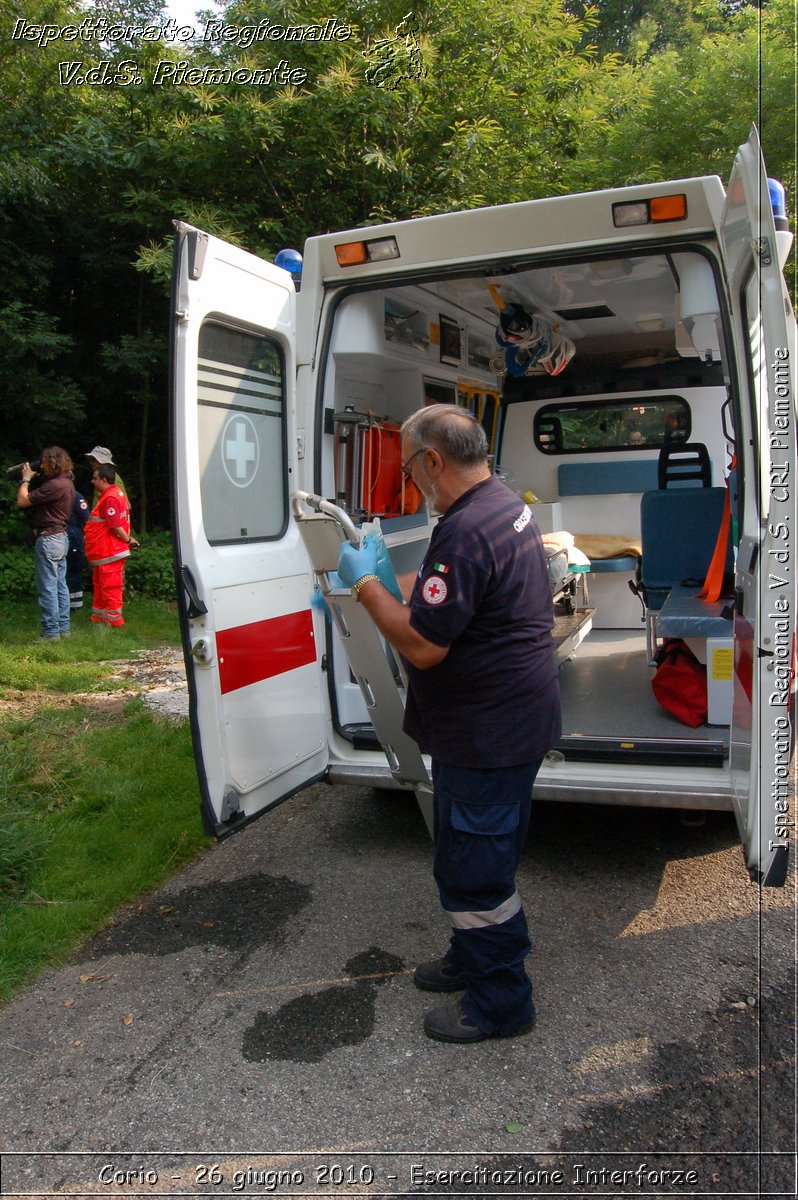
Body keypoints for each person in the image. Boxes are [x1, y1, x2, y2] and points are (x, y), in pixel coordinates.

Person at [336, 404, 561, 1044]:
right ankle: (471, 956)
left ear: (433, 460)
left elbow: (424, 646)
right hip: (510, 722)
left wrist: (365, 589)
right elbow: (452, 587)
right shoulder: (501, 506)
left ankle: (501, 1001)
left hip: (488, 732)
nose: (413, 482)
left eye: (411, 468)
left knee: (476, 871)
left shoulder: (464, 529)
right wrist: (387, 577)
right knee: (473, 851)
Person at [16, 447, 76, 641]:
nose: (41, 466)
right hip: (60, 537)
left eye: (44, 462)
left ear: (52, 463)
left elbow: (23, 501)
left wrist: (26, 478)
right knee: (60, 586)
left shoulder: (55, 485)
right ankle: (64, 630)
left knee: (48, 587)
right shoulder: (66, 483)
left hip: (49, 539)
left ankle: (51, 633)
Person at [84, 465, 138, 627]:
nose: (92, 481)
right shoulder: (112, 495)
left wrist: (128, 540)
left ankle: (114, 619)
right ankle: (100, 616)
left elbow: (114, 525)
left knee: (110, 585)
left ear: (104, 480)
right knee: (101, 584)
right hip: (105, 551)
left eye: (95, 478)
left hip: (109, 550)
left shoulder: (110, 498)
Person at [66, 478, 90, 609]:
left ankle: (74, 604)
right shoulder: (73, 495)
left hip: (72, 535)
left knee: (73, 569)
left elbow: (86, 519)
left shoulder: (75, 496)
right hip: (69, 534)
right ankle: (68, 604)